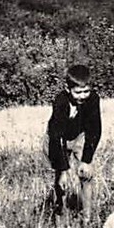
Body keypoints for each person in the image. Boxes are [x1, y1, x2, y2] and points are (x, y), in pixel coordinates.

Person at [47, 62, 102, 216]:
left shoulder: (93, 100)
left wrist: (86, 159)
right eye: (78, 92)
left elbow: (95, 129)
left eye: (86, 91)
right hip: (58, 139)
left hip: (80, 135)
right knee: (61, 178)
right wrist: (64, 170)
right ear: (67, 89)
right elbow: (56, 137)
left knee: (86, 174)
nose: (83, 96)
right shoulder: (60, 102)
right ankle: (61, 212)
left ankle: (87, 216)